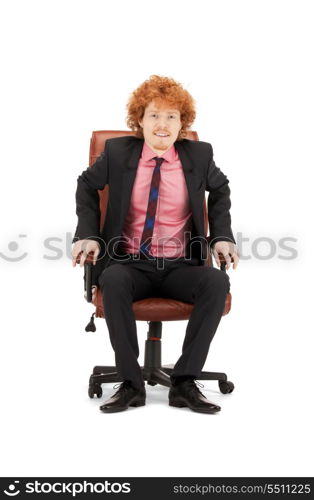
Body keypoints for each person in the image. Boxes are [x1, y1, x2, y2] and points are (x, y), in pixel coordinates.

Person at [72, 75, 239, 414]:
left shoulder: (199, 155)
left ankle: (184, 382)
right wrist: (86, 233)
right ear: (140, 120)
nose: (162, 125)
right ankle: (131, 384)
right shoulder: (117, 152)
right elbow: (86, 185)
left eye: (171, 117)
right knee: (114, 279)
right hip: (129, 263)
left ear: (182, 123)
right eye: (154, 115)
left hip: (180, 266)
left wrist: (221, 236)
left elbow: (220, 190)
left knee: (216, 281)